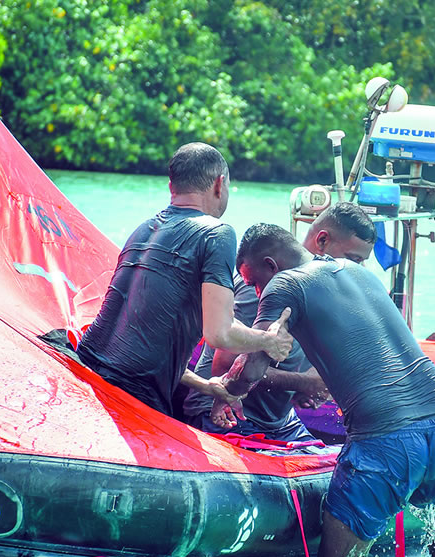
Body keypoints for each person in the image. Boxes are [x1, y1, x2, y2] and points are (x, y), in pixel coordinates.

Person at [216, 224, 435, 557]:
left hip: (385, 436)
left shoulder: (284, 285)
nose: (255, 294)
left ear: (269, 266)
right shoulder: (358, 272)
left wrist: (223, 388)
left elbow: (252, 367)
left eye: (253, 284)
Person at [76, 143, 292, 416]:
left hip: (84, 368)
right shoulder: (216, 233)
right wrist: (268, 341)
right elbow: (219, 333)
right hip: (132, 396)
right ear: (219, 184)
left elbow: (139, 341)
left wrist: (206, 386)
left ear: (171, 187)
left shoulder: (143, 228)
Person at [181, 204, 377, 441]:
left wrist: (297, 391)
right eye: (352, 259)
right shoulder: (267, 284)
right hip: (225, 413)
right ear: (322, 241)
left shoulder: (321, 288)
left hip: (279, 421)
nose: (355, 270)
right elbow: (225, 366)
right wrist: (303, 382)